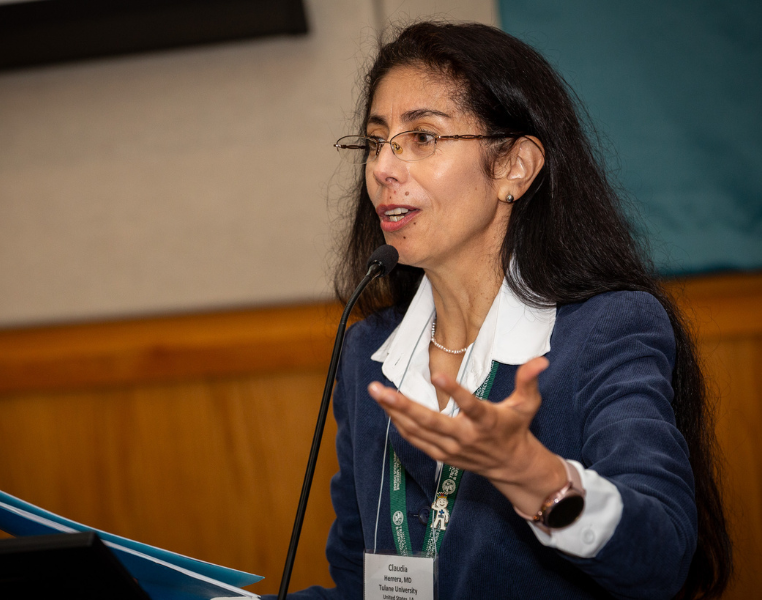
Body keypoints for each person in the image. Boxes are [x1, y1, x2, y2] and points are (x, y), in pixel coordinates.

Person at [276, 21, 731, 599]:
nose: (383, 168)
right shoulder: (367, 350)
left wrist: (531, 475)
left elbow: (661, 557)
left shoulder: (606, 330)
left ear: (514, 167)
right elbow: (356, 579)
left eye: (422, 137)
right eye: (376, 141)